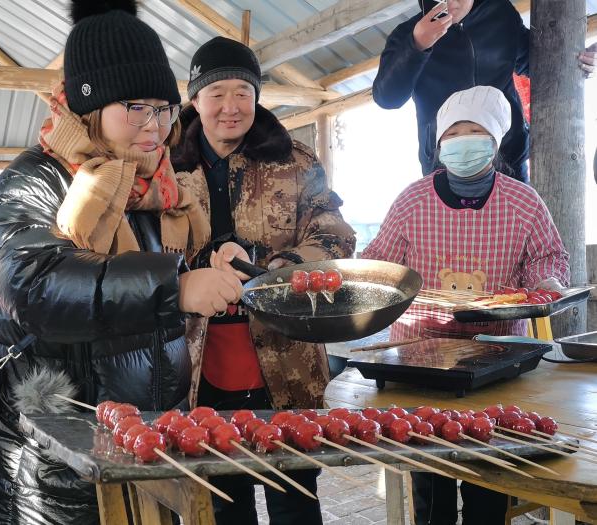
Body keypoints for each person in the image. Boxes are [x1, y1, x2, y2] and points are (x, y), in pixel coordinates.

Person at [0, 2, 243, 523]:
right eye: (135, 107)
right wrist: (175, 288)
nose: (155, 127)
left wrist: (213, 258)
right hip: (52, 472)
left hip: (145, 448)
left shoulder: (154, 185)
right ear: (89, 106)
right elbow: (29, 285)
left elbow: (149, 265)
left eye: (163, 109)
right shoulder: (37, 180)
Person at [361, 85, 569, 524]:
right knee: (430, 479)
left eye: (476, 132)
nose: (464, 141)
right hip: (420, 360)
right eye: (455, 133)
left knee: (488, 479)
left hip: (496, 360)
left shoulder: (523, 201)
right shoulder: (414, 199)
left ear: (495, 142)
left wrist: (547, 282)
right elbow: (380, 263)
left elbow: (548, 259)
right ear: (439, 145)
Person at [171, 36, 356, 525]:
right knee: (222, 502)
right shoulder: (165, 166)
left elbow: (335, 236)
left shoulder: (294, 160)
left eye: (243, 93)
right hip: (193, 368)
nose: (230, 107)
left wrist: (271, 267)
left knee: (295, 497)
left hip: (286, 361)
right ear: (194, 99)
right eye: (216, 94)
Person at [372, 0, 597, 183]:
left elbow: (536, 63)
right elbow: (387, 98)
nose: (449, 1)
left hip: (508, 155)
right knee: (453, 236)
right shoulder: (407, 33)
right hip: (446, 161)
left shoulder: (501, 14)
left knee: (517, 233)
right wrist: (416, 45)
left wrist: (578, 62)